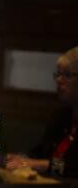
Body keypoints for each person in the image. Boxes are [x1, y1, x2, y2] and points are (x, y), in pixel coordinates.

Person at [6, 45, 78, 176]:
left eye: (67, 75)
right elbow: (40, 153)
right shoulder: (61, 116)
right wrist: (21, 158)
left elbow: (73, 168)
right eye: (58, 74)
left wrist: (41, 165)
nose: (59, 80)